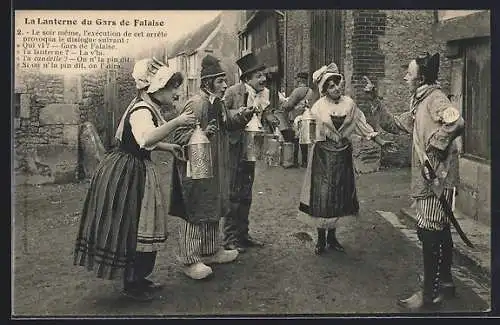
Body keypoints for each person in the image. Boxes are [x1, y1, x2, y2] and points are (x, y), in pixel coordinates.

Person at [74, 57, 196, 301]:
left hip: (135, 166)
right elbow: (145, 139)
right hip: (127, 172)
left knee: (141, 224)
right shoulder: (141, 110)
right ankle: (131, 283)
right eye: (171, 88)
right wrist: (177, 122)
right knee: (131, 224)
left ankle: (139, 278)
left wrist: (169, 147)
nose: (175, 93)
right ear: (154, 88)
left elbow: (144, 141)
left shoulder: (145, 106)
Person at [366, 52, 464, 311]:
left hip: (437, 177)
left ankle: (429, 295)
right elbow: (396, 125)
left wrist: (436, 145)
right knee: (438, 229)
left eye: (408, 73)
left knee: (430, 231)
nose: (405, 77)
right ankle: (444, 283)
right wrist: (375, 99)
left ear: (420, 77)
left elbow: (457, 122)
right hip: (432, 177)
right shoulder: (420, 101)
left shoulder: (436, 99)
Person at [167, 55, 254, 280]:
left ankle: (210, 251)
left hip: (214, 165)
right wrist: (201, 134)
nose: (225, 85)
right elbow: (177, 135)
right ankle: (189, 260)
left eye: (225, 81)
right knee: (195, 208)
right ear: (207, 83)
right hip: (195, 167)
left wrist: (244, 116)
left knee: (213, 204)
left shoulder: (217, 103)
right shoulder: (197, 104)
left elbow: (228, 123)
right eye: (220, 81)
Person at [297, 62, 396, 256]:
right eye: (330, 86)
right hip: (323, 155)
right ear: (324, 89)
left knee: (338, 195)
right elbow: (307, 128)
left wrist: (380, 141)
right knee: (322, 196)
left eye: (337, 84)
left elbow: (361, 124)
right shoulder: (318, 107)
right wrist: (302, 120)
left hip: (342, 155)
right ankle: (321, 239)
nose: (335, 88)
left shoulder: (349, 104)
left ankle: (333, 237)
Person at [222, 52, 280, 253]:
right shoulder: (232, 92)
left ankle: (243, 235)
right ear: (247, 79)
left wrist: (271, 117)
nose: (263, 79)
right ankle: (229, 238)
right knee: (233, 193)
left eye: (263, 75)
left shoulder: (264, 94)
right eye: (258, 76)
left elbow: (267, 111)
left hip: (252, 144)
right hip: (235, 146)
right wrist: (239, 113)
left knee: (246, 191)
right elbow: (221, 115)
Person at [281, 72, 315, 167]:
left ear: (300, 80)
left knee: (295, 139)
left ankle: (294, 161)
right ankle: (304, 161)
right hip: (306, 117)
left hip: (296, 117)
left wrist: (283, 104)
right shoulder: (310, 91)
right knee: (304, 139)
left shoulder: (298, 91)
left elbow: (289, 105)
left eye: (297, 79)